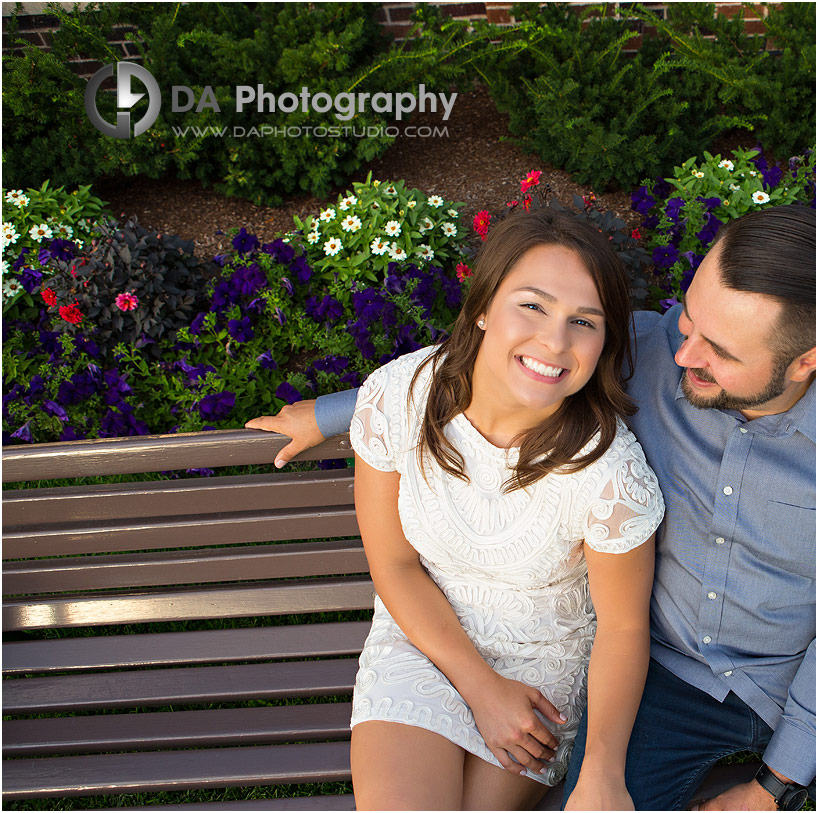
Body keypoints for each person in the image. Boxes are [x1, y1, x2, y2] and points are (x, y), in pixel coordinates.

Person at [250, 204, 816, 811]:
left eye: (718, 350)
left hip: (809, 668)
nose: (684, 355)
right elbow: (502, 355)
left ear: (807, 361)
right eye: (690, 319)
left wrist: (769, 788)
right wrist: (339, 410)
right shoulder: (650, 349)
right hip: (670, 675)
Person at [252, 209, 664, 810]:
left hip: (540, 666)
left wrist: (601, 770)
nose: (555, 341)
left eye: (584, 321)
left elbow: (624, 629)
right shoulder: (401, 398)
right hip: (422, 636)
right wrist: (481, 690)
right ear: (483, 308)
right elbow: (393, 566)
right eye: (532, 306)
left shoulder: (608, 474)